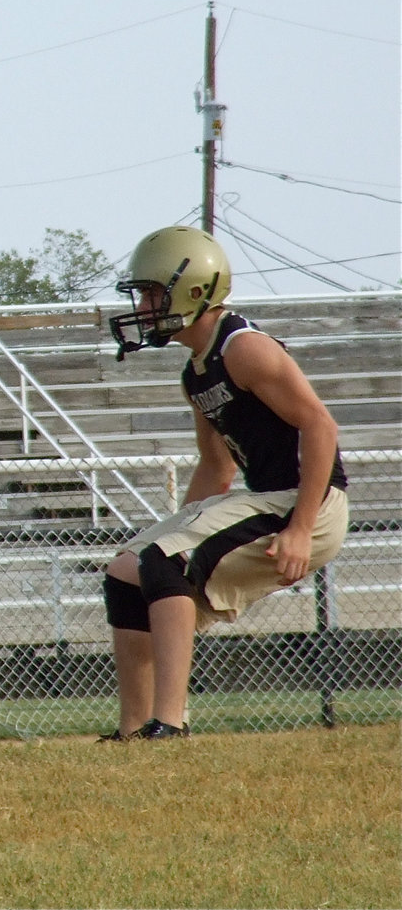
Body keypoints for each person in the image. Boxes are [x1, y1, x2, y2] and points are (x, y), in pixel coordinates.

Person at [99, 225, 349, 740]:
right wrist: (173, 529)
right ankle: (131, 732)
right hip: (266, 499)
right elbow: (217, 469)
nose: (144, 306)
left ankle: (169, 723)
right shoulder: (197, 371)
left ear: (193, 290)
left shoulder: (244, 349)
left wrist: (302, 528)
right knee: (126, 573)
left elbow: (320, 426)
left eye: (152, 293)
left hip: (307, 503)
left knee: (163, 561)